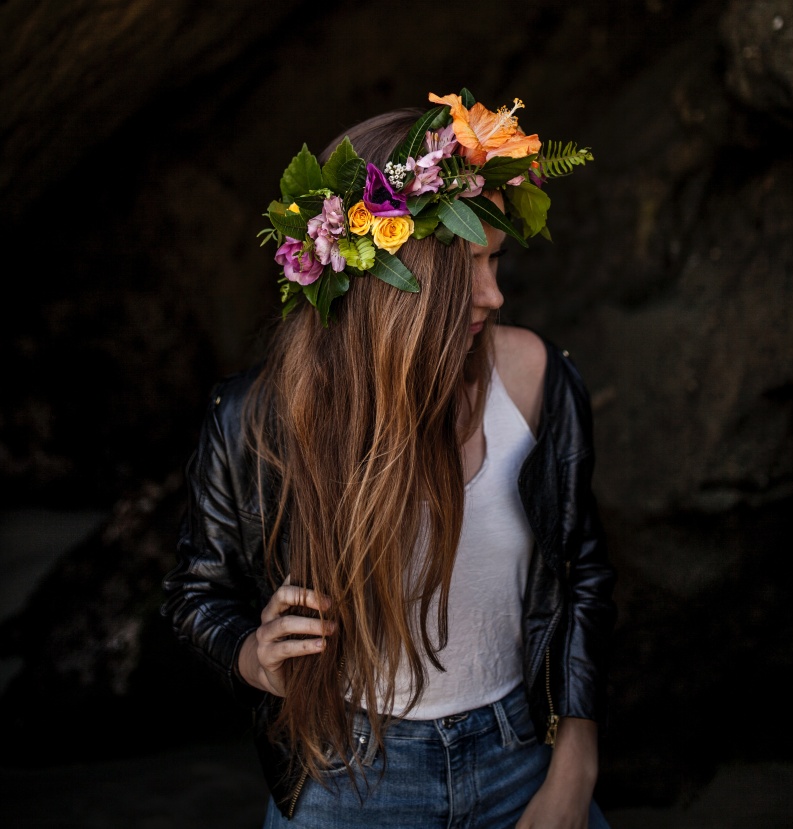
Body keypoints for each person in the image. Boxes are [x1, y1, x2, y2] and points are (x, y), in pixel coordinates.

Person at [163, 91, 615, 828]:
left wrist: (576, 764)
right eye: (468, 268)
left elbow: (583, 573)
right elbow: (193, 590)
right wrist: (253, 652)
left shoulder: (536, 380)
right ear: (395, 279)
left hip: (520, 757)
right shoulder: (260, 418)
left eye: (496, 262)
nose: (494, 294)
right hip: (347, 778)